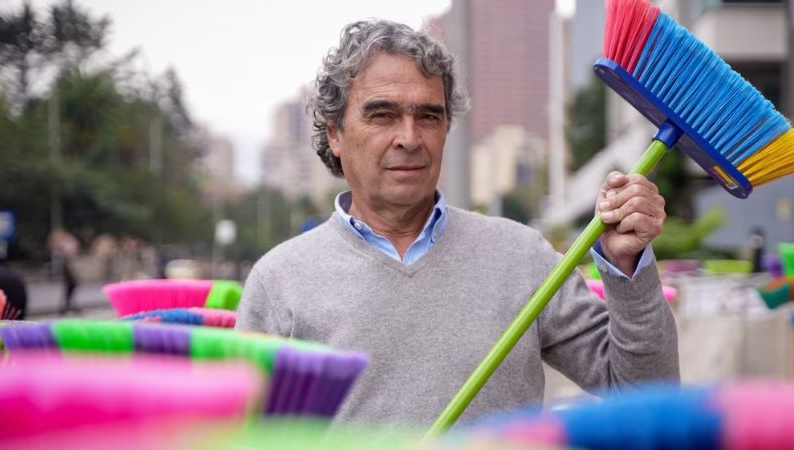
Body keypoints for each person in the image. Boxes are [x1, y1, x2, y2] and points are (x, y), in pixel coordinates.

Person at [236, 20, 678, 428]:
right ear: (335, 132)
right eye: (382, 115)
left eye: (429, 116)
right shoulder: (280, 282)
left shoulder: (522, 258)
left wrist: (627, 268)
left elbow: (645, 395)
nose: (409, 138)